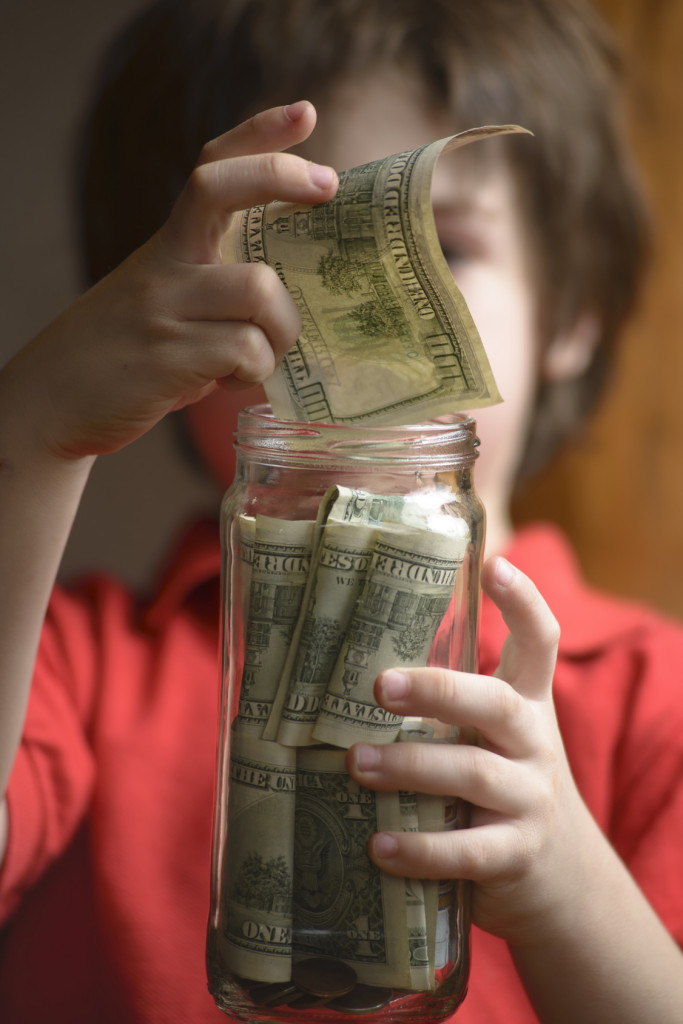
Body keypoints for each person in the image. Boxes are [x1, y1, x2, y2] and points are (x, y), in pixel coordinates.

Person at [0, 1, 682, 1022]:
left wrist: (569, 891)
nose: (336, 329)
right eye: (271, 256)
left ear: (570, 317)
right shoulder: (78, 660)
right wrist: (31, 434)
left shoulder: (654, 702)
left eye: (443, 249)